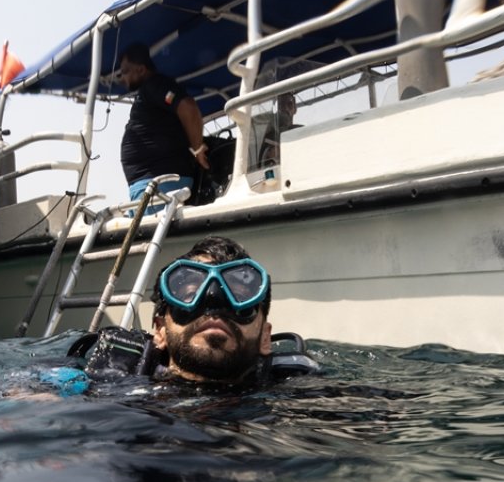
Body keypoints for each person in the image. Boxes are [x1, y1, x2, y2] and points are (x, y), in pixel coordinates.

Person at [61, 235, 318, 392]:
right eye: (190, 292)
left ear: (265, 337)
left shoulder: (294, 383)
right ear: (159, 331)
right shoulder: (111, 368)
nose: (214, 301)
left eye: (239, 295)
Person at [117, 43, 210, 214]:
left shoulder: (155, 84)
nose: (122, 77)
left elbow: (188, 107)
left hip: (160, 185)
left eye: (125, 71)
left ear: (141, 69)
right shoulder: (149, 91)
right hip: (151, 187)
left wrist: (197, 149)